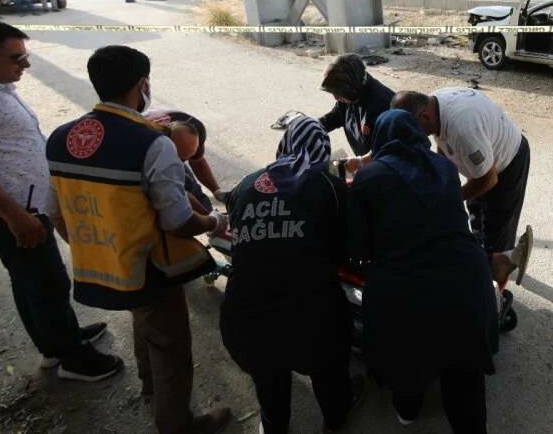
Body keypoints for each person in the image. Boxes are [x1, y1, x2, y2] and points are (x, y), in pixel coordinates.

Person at [46, 45, 231, 434]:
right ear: (142, 84)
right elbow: (178, 221)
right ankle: (177, 423)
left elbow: (55, 211)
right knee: (171, 347)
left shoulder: (61, 137)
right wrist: (213, 221)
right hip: (149, 267)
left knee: (142, 323)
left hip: (103, 261)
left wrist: (90, 245)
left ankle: (150, 386)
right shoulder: (151, 142)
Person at [0, 22, 122, 382]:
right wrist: (15, 216)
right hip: (10, 215)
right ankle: (73, 359)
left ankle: (54, 343)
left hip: (13, 211)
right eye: (17, 58)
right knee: (48, 285)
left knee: (29, 283)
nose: (26, 65)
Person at [348, 110, 498, 432]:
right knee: (466, 383)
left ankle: (408, 409)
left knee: (406, 363)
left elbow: (357, 249)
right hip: (468, 289)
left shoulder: (369, 177)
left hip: (406, 299)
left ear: (380, 140)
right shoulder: (443, 167)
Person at [220, 113, 363, 434]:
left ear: (283, 145)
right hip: (311, 323)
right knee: (329, 368)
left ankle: (274, 426)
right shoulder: (329, 185)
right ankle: (334, 417)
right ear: (322, 151)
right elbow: (350, 252)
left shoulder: (246, 184)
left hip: (244, 323)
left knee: (268, 377)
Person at [390, 89, 532, 289]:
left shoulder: (463, 129)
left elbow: (489, 179)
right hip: (480, 162)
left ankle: (497, 275)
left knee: (495, 228)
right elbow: (442, 145)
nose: (414, 135)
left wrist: (452, 199)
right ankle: (482, 260)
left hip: (506, 164)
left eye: (414, 128)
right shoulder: (433, 105)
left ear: (424, 117)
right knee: (475, 219)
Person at [316, 53, 394, 171]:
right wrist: (311, 127)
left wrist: (360, 162)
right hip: (367, 163)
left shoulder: (382, 104)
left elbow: (389, 149)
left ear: (351, 86)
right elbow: (334, 118)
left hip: (388, 170)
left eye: (338, 92)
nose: (336, 98)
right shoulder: (350, 95)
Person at [146, 110, 230, 208]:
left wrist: (217, 191)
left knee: (194, 192)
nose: (183, 162)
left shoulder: (196, 127)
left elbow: (197, 160)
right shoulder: (151, 145)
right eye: (179, 157)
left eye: (190, 154)